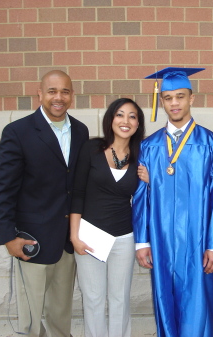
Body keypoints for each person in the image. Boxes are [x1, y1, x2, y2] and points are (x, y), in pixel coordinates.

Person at [132, 67, 213, 337]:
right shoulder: (149, 146)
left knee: (199, 301)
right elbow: (141, 198)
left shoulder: (212, 144)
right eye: (168, 98)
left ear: (191, 99)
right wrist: (142, 241)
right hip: (161, 238)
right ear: (161, 101)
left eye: (180, 97)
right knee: (165, 297)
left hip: (199, 239)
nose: (174, 103)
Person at [0, 70, 89, 337]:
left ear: (72, 95)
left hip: (67, 241)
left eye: (65, 91)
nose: (59, 97)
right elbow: (4, 190)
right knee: (32, 320)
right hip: (32, 240)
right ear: (40, 93)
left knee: (61, 313)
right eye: (52, 91)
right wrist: (8, 236)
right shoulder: (17, 132)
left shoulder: (80, 131)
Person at [69, 98, 145, 337]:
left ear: (138, 124)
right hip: (90, 235)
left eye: (132, 116)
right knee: (92, 298)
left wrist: (151, 181)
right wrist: (74, 236)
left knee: (120, 298)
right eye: (120, 115)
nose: (125, 121)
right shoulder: (91, 148)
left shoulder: (142, 154)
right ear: (111, 119)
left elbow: (151, 199)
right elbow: (77, 193)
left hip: (124, 236)